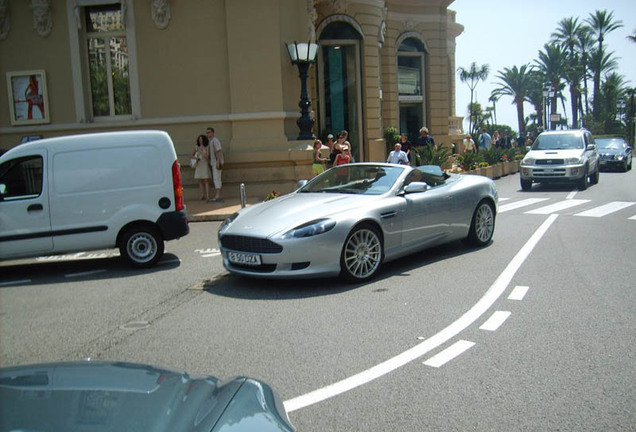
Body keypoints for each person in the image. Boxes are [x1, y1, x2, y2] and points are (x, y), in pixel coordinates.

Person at [192, 134, 212, 200]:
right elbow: (191, 155)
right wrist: (196, 158)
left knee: (206, 180)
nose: (200, 140)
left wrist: (201, 151)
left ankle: (208, 195)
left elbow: (207, 157)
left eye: (201, 139)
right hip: (199, 164)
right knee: (200, 180)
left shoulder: (207, 147)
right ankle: (202, 195)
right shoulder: (196, 147)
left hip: (204, 163)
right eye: (199, 139)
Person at [206, 127, 224, 202]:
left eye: (209, 132)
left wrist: (218, 162)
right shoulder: (210, 142)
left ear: (213, 133)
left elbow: (219, 151)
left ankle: (218, 194)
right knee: (216, 178)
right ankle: (218, 194)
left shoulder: (215, 141)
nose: (208, 134)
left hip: (216, 162)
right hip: (213, 162)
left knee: (217, 178)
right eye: (207, 133)